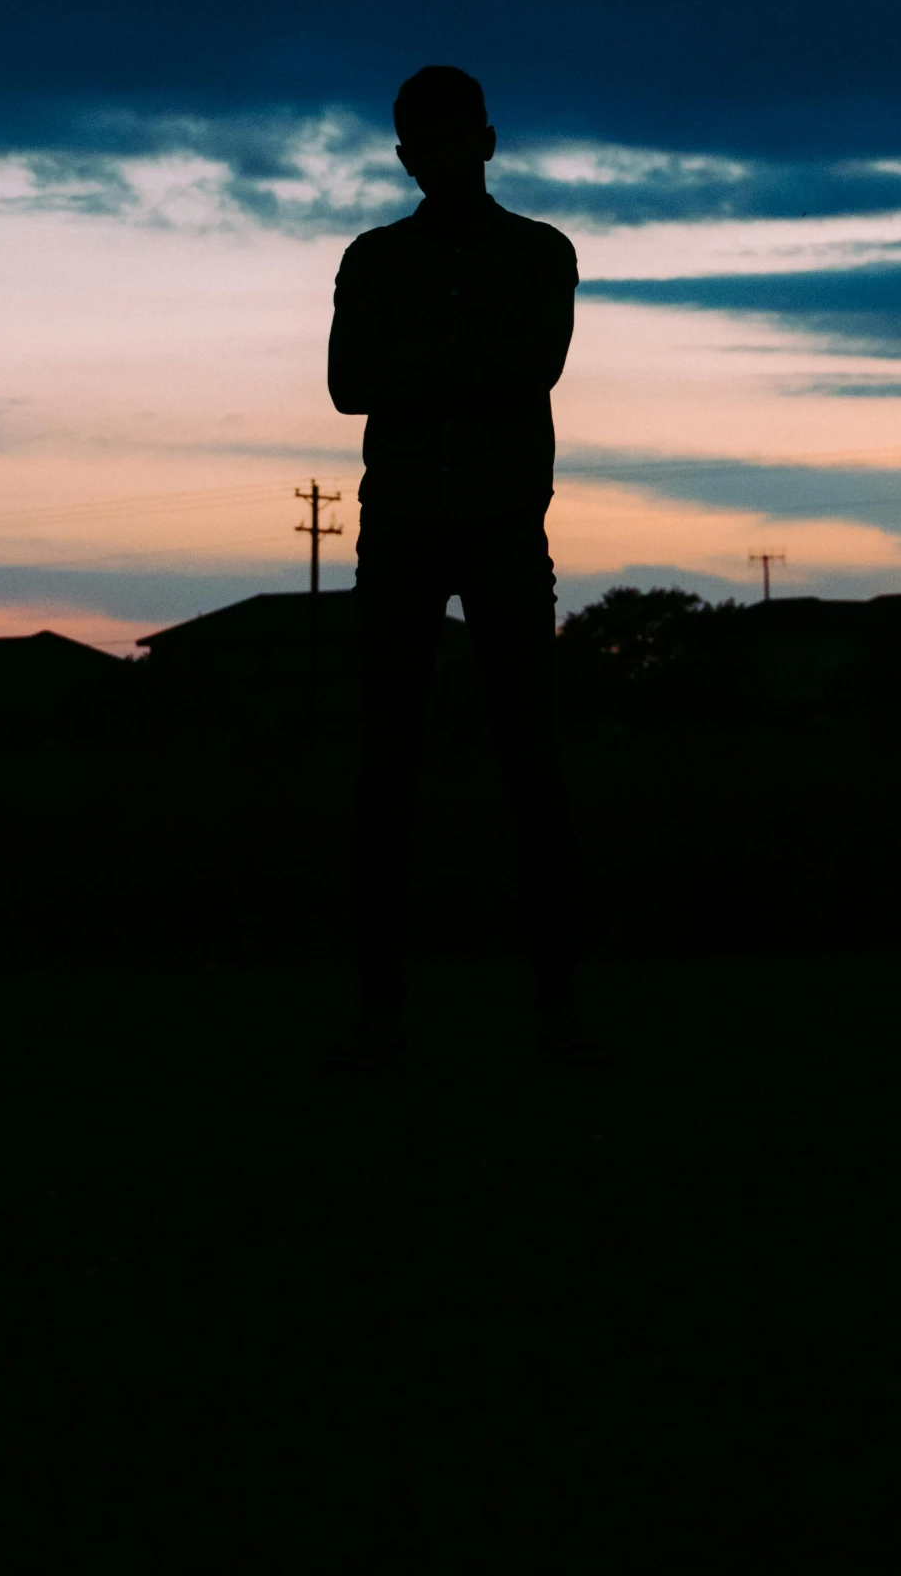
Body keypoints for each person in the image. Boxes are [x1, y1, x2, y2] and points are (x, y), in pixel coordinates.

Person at [322, 65, 610, 1071]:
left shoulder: (538, 252)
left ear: (484, 144)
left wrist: (423, 361)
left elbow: (531, 365)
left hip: (495, 525)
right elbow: (349, 386)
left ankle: (556, 1005)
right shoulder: (375, 258)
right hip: (404, 528)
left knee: (533, 764)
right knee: (386, 774)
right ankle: (381, 1012)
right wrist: (462, 358)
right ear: (408, 156)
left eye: (455, 140)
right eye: (424, 144)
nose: (442, 158)